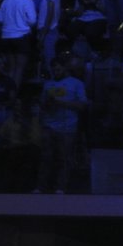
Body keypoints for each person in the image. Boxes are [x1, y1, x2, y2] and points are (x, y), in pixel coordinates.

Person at [37, 58, 86, 193]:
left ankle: (60, 187)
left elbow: (82, 105)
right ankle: (42, 187)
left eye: (58, 69)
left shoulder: (77, 84)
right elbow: (42, 105)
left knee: (64, 158)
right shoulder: (48, 84)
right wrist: (47, 104)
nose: (55, 71)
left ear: (65, 68)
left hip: (67, 128)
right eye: (53, 69)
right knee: (46, 157)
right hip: (49, 125)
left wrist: (60, 103)